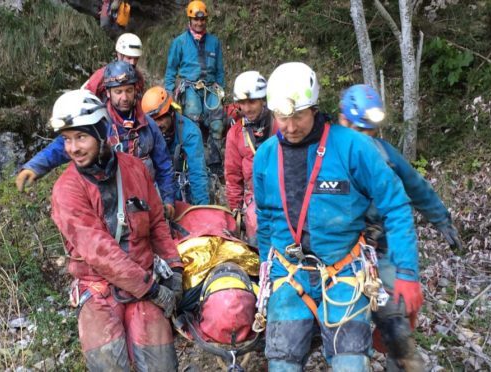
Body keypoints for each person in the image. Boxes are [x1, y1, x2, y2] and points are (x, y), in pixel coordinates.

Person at [253, 62, 423, 371]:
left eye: (298, 117)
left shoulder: (351, 147)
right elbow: (265, 218)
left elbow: (396, 205)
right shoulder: (265, 155)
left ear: (314, 108)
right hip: (290, 278)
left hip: (344, 274)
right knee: (282, 363)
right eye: (282, 118)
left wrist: (407, 273)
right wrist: (267, 264)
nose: (290, 127)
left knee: (350, 364)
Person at [49, 90, 183, 371]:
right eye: (67, 139)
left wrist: (175, 268)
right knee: (109, 363)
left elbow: (157, 221)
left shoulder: (134, 169)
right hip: (100, 291)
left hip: (144, 286)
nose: (73, 148)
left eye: (80, 137)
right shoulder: (67, 190)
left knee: (162, 365)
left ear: (100, 133)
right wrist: (152, 289)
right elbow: (100, 252)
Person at [338, 83, 462, 371]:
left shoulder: (384, 154)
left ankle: (401, 360)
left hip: (377, 252)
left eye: (370, 132)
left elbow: (417, 187)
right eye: (360, 131)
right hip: (334, 256)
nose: (365, 140)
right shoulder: (327, 154)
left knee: (399, 319)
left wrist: (442, 219)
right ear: (344, 122)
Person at [16, 61, 177, 216]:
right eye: (118, 92)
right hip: (113, 200)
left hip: (147, 196)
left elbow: (163, 164)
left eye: (129, 90)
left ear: (135, 91)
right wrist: (36, 166)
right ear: (108, 92)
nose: (125, 97)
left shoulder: (148, 124)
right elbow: (65, 144)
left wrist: (168, 200)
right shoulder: (97, 122)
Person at [164, 0, 225, 175]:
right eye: (195, 20)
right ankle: (193, 159)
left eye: (202, 20)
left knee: (217, 121)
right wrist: (169, 93)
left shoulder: (214, 42)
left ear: (206, 20)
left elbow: (220, 70)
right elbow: (171, 70)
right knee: (192, 118)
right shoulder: (180, 42)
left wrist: (221, 90)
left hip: (210, 87)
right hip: (190, 86)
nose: (199, 23)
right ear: (189, 20)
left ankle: (215, 162)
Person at [224, 71, 275, 245]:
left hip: (283, 190)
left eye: (252, 102)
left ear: (263, 99)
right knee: (254, 222)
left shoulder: (279, 124)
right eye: (243, 103)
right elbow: (232, 175)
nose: (247, 108)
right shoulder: (236, 134)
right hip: (255, 196)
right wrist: (236, 208)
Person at [141, 86, 210, 205]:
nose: (157, 125)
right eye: (153, 120)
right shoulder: (144, 131)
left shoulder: (189, 132)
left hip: (183, 186)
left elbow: (197, 173)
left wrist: (202, 208)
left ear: (171, 113)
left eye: (161, 118)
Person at [81, 32, 145, 99]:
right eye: (129, 58)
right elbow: (84, 96)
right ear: (119, 55)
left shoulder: (138, 77)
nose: (133, 62)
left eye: (136, 59)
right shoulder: (103, 75)